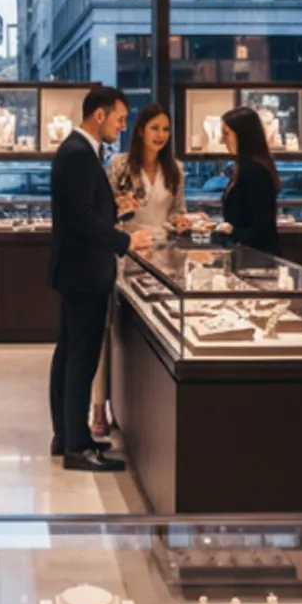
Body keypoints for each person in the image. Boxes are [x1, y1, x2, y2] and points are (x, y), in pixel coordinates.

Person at [48, 87, 152, 472]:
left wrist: (115, 210)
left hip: (76, 270)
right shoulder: (78, 153)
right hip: (83, 272)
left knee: (69, 354)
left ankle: (67, 436)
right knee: (81, 359)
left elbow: (86, 210)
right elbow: (82, 219)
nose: (123, 126)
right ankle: (78, 448)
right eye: (120, 119)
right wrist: (126, 241)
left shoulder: (79, 151)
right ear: (99, 115)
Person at [91, 103, 188, 438]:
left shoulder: (175, 168)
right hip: (125, 254)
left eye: (166, 129)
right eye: (154, 128)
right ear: (140, 131)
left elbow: (177, 212)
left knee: (155, 332)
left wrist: (180, 222)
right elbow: (105, 214)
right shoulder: (120, 165)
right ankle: (99, 406)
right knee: (109, 330)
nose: (160, 135)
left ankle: (143, 409)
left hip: (163, 259)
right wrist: (121, 213)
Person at [216, 105, 282, 255]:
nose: (222, 140)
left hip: (258, 257)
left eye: (226, 133)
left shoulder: (254, 170)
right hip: (248, 254)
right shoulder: (244, 166)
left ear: (242, 135)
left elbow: (262, 228)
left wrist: (231, 230)